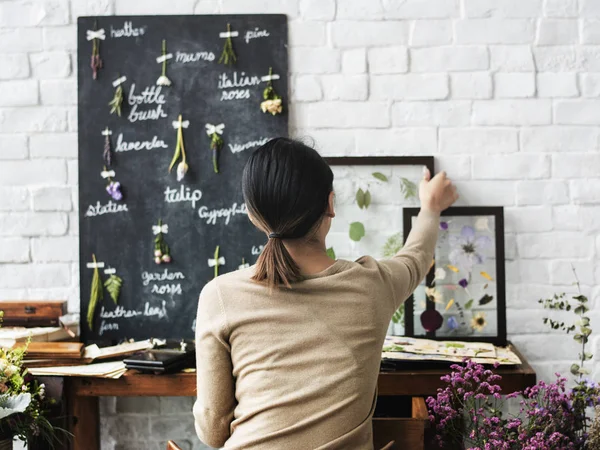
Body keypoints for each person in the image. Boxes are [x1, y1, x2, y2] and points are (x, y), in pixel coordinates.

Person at [193, 138, 458, 449]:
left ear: (253, 215)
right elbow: (416, 258)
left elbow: (213, 433)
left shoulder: (219, 296)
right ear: (330, 204)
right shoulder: (373, 285)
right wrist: (430, 206)